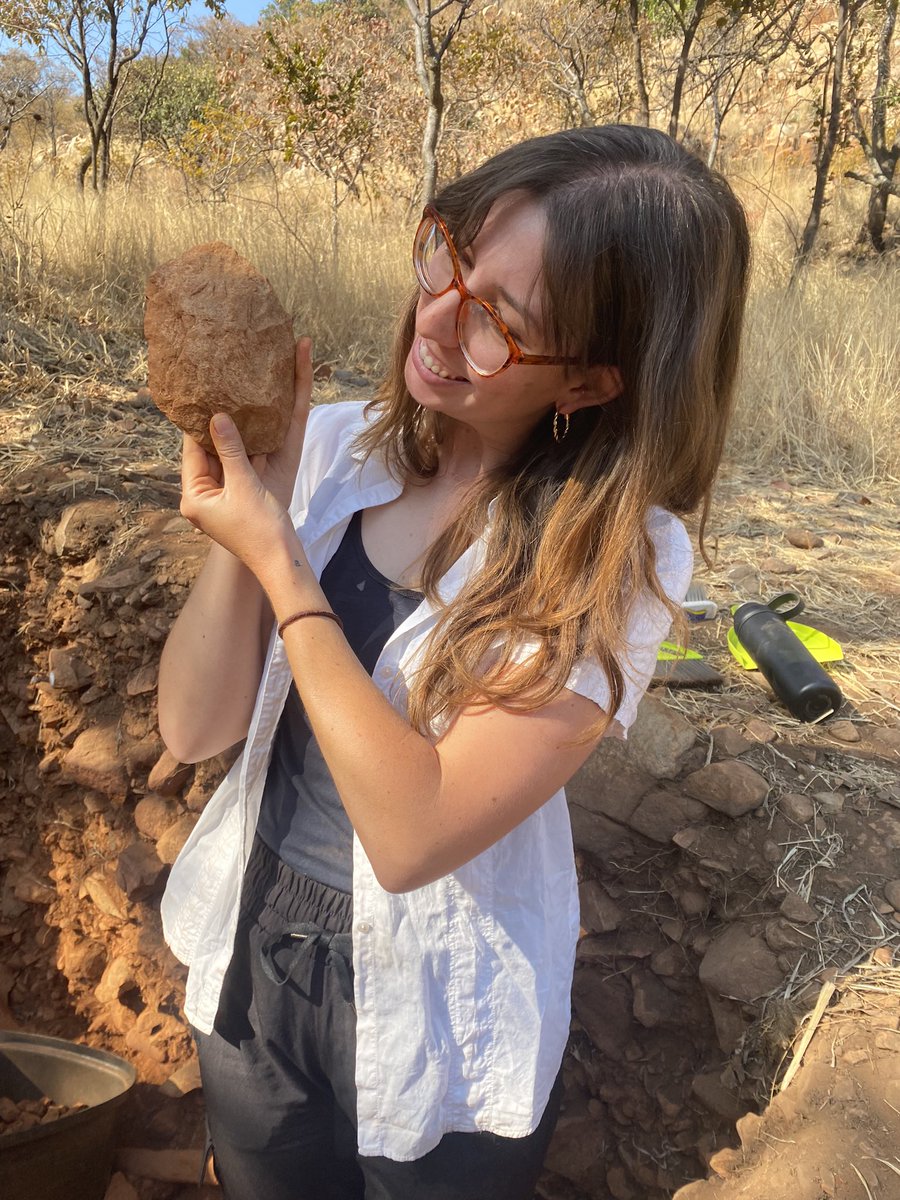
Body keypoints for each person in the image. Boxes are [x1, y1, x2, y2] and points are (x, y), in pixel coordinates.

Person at [158, 124, 750, 1200]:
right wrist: (243, 537)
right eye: (448, 257)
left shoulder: (614, 562)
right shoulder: (335, 446)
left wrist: (282, 563)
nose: (434, 318)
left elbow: (415, 832)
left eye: (499, 323)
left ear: (592, 381)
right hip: (255, 955)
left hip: (439, 1008)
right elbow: (194, 728)